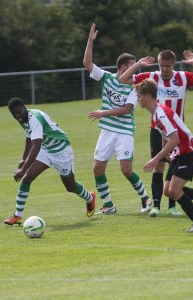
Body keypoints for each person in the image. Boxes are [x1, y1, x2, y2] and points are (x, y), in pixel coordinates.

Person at [119, 49, 193, 217]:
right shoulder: (152, 78)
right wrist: (138, 64)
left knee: (173, 169)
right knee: (159, 166)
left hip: (175, 132)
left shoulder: (183, 77)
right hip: (157, 129)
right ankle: (156, 206)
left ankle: (173, 207)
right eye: (162, 65)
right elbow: (123, 79)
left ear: (174, 65)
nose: (164, 69)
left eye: (168, 66)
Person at [83, 22, 155, 214]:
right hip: (107, 131)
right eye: (133, 67)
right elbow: (87, 65)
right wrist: (90, 41)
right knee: (97, 169)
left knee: (126, 170)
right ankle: (108, 205)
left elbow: (126, 109)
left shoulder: (135, 87)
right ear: (123, 67)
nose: (136, 72)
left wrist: (102, 113)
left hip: (124, 132)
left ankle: (145, 200)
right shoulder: (107, 77)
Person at [136, 78, 193, 232]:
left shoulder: (161, 114)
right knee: (168, 191)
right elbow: (166, 138)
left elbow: (175, 138)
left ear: (147, 96)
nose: (137, 99)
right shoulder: (155, 115)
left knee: (174, 191)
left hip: (189, 151)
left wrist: (156, 159)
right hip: (179, 153)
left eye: (139, 96)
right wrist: (164, 155)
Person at [3, 97, 95, 225]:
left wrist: (23, 169)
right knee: (27, 178)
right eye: (14, 115)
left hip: (61, 150)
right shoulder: (22, 119)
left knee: (70, 186)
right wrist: (23, 159)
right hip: (46, 150)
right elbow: (29, 138)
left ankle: (90, 198)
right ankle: (18, 216)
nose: (17, 116)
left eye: (19, 112)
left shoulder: (34, 118)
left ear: (24, 107)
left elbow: (36, 146)